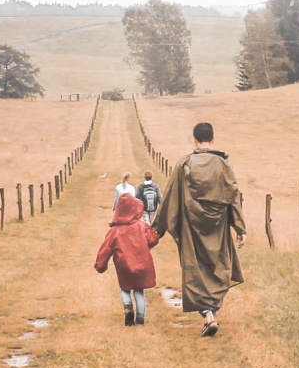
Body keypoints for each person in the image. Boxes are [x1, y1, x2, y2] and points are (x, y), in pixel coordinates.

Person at [156, 121, 246, 337]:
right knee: (217, 267)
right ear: (212, 139)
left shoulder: (184, 163)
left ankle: (208, 315)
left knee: (195, 270)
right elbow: (233, 195)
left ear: (194, 139)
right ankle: (211, 312)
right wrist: (240, 227)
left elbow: (169, 196)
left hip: (191, 227)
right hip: (219, 227)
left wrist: (157, 229)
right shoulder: (224, 164)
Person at [95, 193, 159, 326]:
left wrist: (100, 265)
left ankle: (128, 307)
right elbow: (152, 240)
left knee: (125, 289)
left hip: (123, 265)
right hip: (142, 263)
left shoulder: (115, 231)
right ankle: (140, 319)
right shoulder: (141, 226)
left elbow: (105, 249)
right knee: (139, 291)